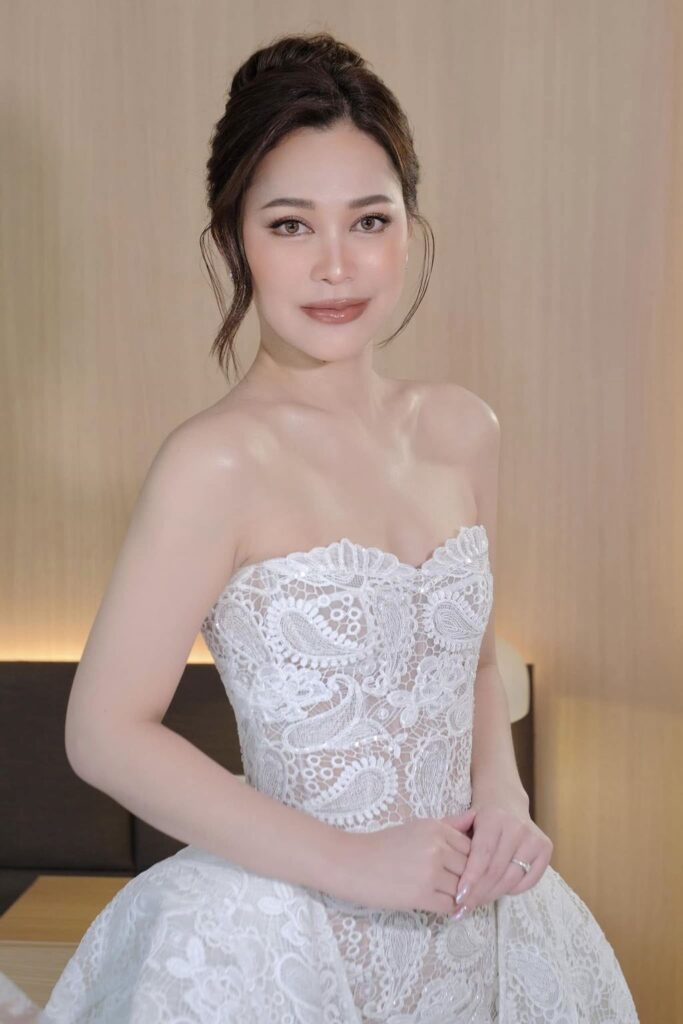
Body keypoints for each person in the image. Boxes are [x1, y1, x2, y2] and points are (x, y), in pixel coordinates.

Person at [2, 30, 639, 1023]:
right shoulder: (215, 463)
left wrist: (504, 800)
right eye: (291, 224)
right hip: (288, 935)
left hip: (477, 920)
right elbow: (102, 732)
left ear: (408, 228)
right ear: (235, 239)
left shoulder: (462, 430)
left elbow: (471, 662)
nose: (336, 266)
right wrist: (353, 861)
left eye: (368, 220)